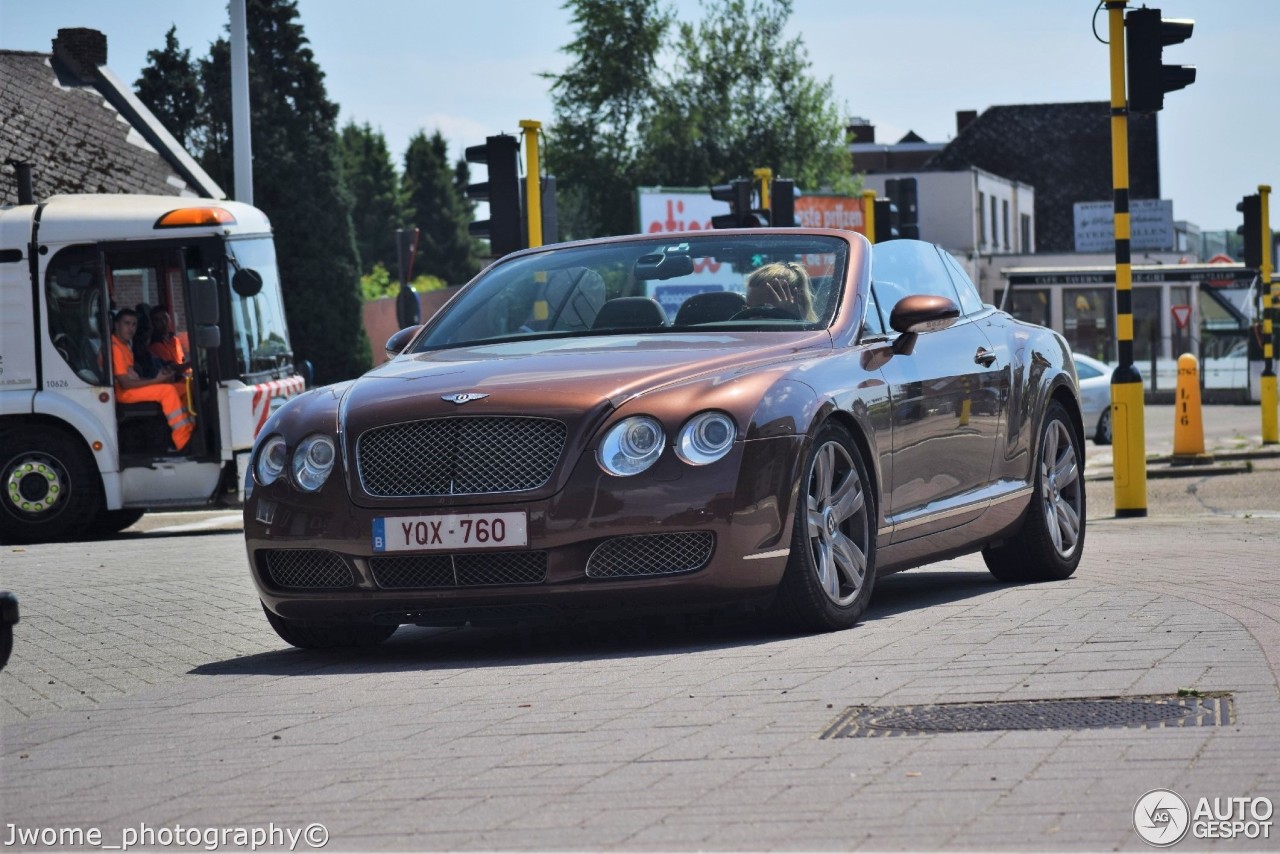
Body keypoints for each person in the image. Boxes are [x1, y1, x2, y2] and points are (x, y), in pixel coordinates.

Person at [111, 308, 194, 452]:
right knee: (167, 391)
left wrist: (158, 378)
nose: (131, 328)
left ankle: (190, 427)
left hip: (130, 388)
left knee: (184, 386)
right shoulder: (115, 348)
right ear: (117, 325)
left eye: (134, 324)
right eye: (127, 323)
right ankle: (183, 441)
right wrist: (156, 380)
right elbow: (125, 383)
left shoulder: (123, 345)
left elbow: (132, 377)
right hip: (123, 393)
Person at [743, 261, 817, 320]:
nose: (751, 318)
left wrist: (792, 318)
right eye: (748, 309)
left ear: (799, 302)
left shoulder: (819, 336)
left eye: (763, 310)